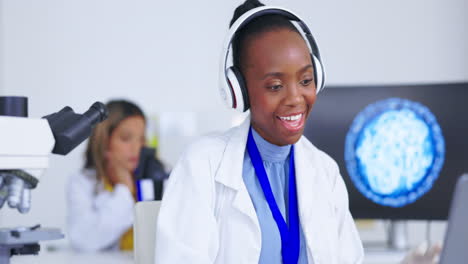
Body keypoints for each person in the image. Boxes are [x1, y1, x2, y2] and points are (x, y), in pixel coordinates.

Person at [154, 1, 363, 263]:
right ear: (239, 90)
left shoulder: (325, 171)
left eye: (306, 80)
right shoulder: (201, 165)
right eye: (275, 86)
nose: (295, 98)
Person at [67, 99, 148, 252]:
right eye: (125, 138)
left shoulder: (160, 177)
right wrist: (124, 188)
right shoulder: (82, 183)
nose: (137, 148)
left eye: (142, 139)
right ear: (103, 142)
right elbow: (84, 241)